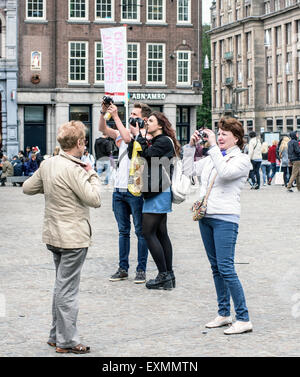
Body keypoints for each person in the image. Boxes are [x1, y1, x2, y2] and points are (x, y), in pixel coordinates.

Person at [23, 120, 101, 354]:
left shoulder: (48, 164)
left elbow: (27, 187)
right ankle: (67, 341)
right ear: (79, 143)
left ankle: (55, 334)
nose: (85, 144)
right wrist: (92, 174)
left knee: (60, 286)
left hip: (54, 236)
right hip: (73, 239)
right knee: (68, 290)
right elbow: (94, 199)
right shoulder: (76, 169)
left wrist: (50, 187)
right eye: (84, 140)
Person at [182, 117, 253, 335]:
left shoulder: (241, 160)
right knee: (216, 268)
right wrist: (190, 147)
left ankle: (243, 318)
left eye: (224, 134)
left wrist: (212, 146)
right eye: (218, 133)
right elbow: (189, 170)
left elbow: (225, 173)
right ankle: (224, 313)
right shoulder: (214, 156)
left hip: (226, 218)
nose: (220, 137)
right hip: (206, 217)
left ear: (236, 138)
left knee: (226, 268)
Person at [99, 101, 151, 284]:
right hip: (119, 189)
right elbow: (102, 129)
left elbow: (129, 139)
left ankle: (141, 269)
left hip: (135, 190)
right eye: (131, 115)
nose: (132, 118)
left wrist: (115, 116)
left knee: (140, 231)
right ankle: (123, 268)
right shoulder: (122, 134)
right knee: (123, 231)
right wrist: (103, 112)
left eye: (135, 115)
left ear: (144, 119)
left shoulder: (145, 136)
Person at [130, 112, 180, 290]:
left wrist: (141, 136)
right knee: (160, 233)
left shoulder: (164, 141)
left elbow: (149, 156)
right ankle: (168, 275)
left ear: (160, 125)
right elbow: (135, 155)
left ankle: (163, 275)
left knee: (147, 232)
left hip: (159, 191)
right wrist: (139, 137)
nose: (146, 123)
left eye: (150, 121)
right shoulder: (156, 140)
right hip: (155, 190)